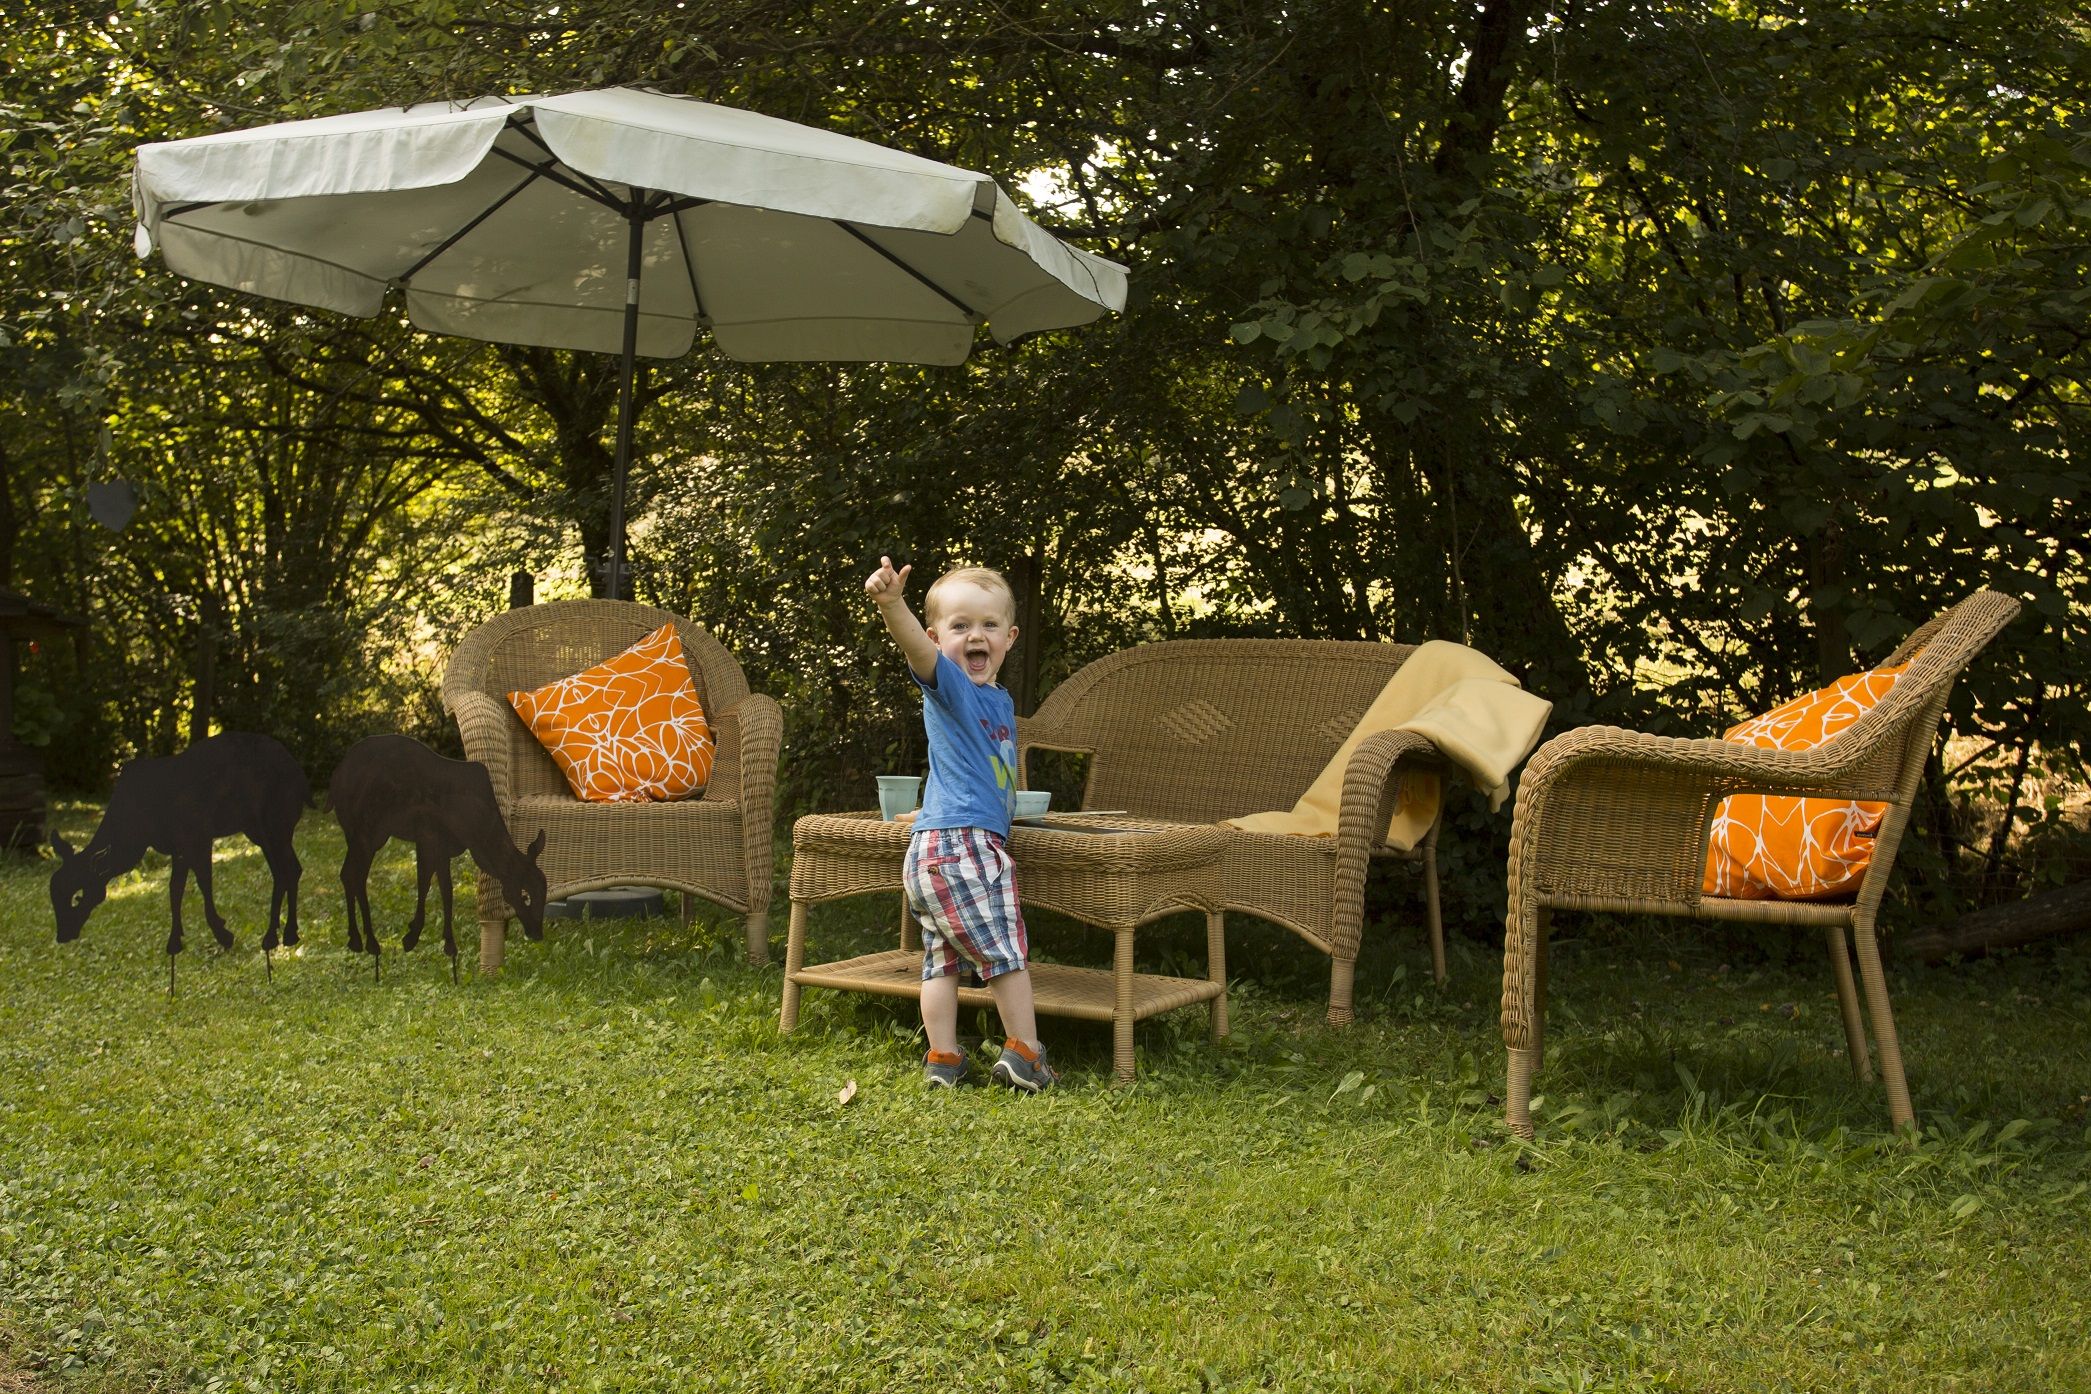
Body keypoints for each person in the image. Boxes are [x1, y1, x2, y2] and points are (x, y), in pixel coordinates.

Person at [863, 554, 1058, 1092]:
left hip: (936, 845)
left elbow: (964, 769)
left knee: (941, 961)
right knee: (1005, 952)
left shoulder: (996, 700)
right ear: (936, 637)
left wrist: (932, 812)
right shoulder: (951, 684)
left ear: (1010, 637)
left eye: (989, 625)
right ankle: (1026, 1052)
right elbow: (915, 649)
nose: (976, 635)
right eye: (960, 626)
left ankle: (944, 1058)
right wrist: (892, 605)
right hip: (964, 846)